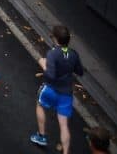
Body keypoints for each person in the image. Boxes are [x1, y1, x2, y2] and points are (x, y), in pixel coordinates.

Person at [30, 25, 85, 154]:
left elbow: (50, 75)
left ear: (55, 38)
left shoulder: (52, 54)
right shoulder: (73, 54)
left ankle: (41, 136)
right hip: (66, 94)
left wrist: (43, 63)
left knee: (39, 104)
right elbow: (80, 71)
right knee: (64, 125)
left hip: (51, 89)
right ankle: (66, 152)